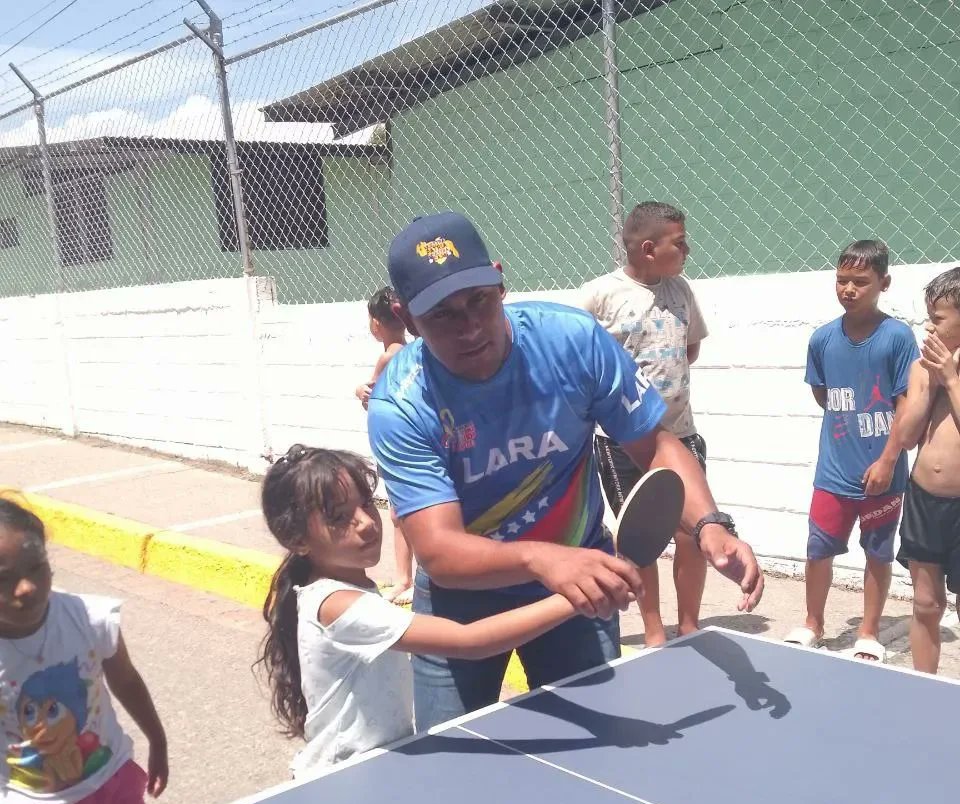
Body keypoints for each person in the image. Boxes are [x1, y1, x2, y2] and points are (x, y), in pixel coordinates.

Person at [366, 210, 764, 730]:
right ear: (406, 317)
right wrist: (541, 559)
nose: (470, 327)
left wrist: (711, 524)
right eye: (443, 315)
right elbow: (439, 551)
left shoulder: (573, 341)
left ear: (500, 281)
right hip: (462, 599)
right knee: (451, 757)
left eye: (479, 300)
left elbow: (655, 444)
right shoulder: (401, 403)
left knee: (603, 750)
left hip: (580, 584)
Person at [255, 444, 605, 775]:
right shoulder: (340, 605)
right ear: (297, 540)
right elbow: (470, 641)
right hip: (346, 776)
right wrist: (575, 597)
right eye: (339, 517)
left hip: (377, 767)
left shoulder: (343, 590)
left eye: (366, 503)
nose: (365, 522)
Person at [0, 498, 167, 804]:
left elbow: (126, 681)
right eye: (3, 579)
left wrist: (157, 739)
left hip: (111, 790)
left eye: (37, 567)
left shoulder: (88, 618)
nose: (27, 587)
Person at [578, 201, 709, 647]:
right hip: (622, 441)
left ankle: (689, 624)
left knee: (693, 531)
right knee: (641, 538)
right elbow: (578, 357)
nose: (688, 250)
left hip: (681, 433)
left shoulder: (682, 290)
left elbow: (690, 349)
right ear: (649, 249)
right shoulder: (600, 296)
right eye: (680, 243)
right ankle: (654, 631)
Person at [785, 240, 918, 662]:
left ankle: (869, 631)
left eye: (860, 281)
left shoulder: (897, 337)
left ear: (884, 283)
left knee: (877, 553)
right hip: (833, 473)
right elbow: (823, 396)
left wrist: (887, 460)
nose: (848, 289)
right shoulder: (822, 339)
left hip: (883, 475)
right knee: (818, 549)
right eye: (842, 280)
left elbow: (906, 405)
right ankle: (813, 624)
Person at [891, 267, 960, 673]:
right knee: (926, 603)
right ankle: (924, 687)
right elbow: (905, 437)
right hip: (924, 500)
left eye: (938, 318)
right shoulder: (922, 368)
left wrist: (951, 379)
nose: (929, 327)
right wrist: (933, 383)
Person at [354, 286, 415, 605]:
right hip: (406, 439)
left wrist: (359, 392)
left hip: (396, 444)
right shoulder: (412, 350)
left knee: (403, 514)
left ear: (375, 324)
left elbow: (372, 400)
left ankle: (408, 578)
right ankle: (406, 578)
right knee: (399, 513)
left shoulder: (388, 357)